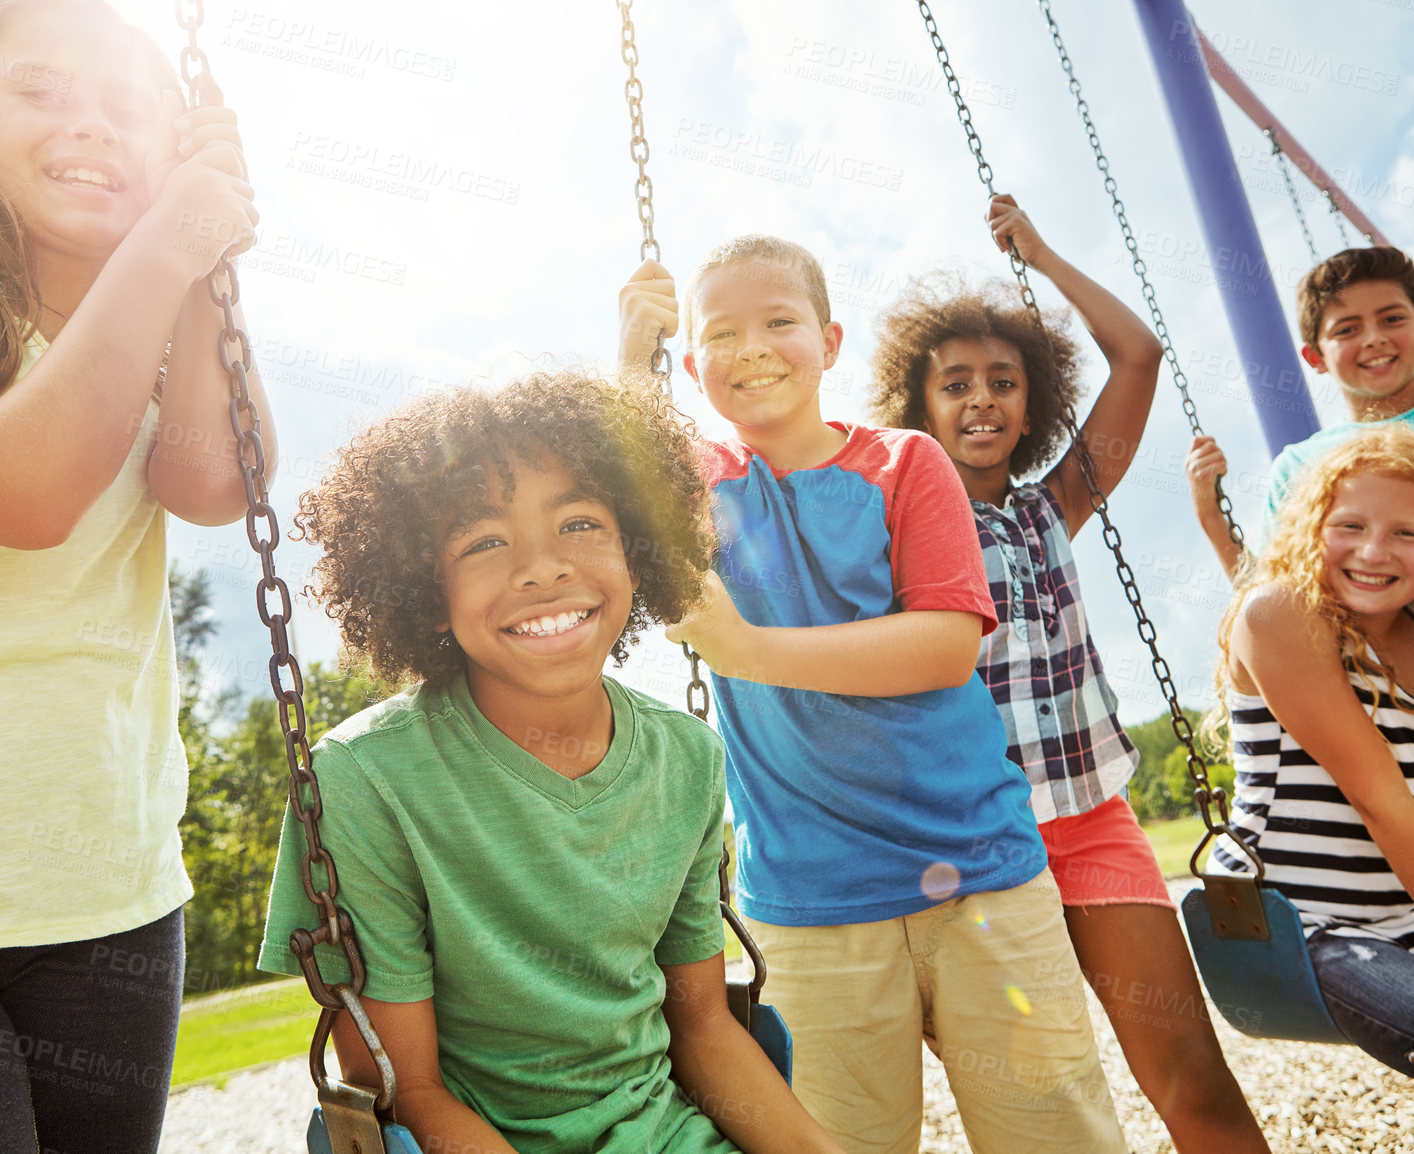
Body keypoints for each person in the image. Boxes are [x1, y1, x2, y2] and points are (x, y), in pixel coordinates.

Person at [0, 0, 266, 1150]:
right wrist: (174, 241)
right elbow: (15, 490)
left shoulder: (153, 321)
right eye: (42, 89)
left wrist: (204, 269)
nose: (95, 124)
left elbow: (214, 482)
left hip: (104, 888)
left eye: (131, 105)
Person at [619, 235, 1127, 1153]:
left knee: (1056, 1133)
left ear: (832, 340)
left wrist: (745, 647)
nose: (754, 347)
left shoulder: (904, 464)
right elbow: (616, 477)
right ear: (691, 366)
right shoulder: (697, 487)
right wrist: (628, 361)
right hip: (808, 898)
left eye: (781, 321)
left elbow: (940, 646)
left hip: (980, 871)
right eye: (721, 334)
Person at [259, 372, 841, 1154]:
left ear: (638, 552)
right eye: (484, 541)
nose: (541, 567)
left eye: (579, 523)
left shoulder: (687, 758)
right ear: (427, 590)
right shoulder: (365, 780)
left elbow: (703, 1026)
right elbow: (408, 1091)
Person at [866, 195, 1269, 1154]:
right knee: (1035, 1104)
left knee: (1192, 1079)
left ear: (1031, 403)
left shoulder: (1057, 504)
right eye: (954, 384)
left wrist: (1040, 254)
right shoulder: (880, 524)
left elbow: (1139, 357)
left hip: (1090, 820)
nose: (981, 401)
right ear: (919, 407)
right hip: (969, 836)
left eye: (1003, 382)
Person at [1199, 425, 1414, 1152]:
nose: (1372, 552)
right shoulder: (1279, 615)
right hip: (1301, 929)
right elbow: (1384, 805)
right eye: (1350, 527)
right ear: (1314, 529)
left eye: (1407, 533)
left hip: (1410, 927)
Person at [1189, 245, 1414, 629]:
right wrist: (1211, 515)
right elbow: (1278, 606)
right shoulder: (1301, 467)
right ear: (1315, 357)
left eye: (1392, 318)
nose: (1374, 338)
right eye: (1347, 329)